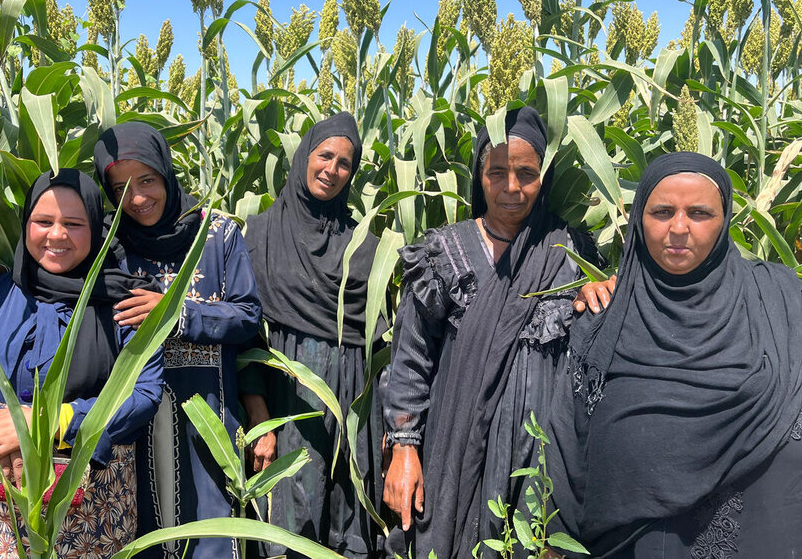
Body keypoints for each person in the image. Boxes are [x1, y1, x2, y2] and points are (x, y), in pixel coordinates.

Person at [549, 152, 802, 558]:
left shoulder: (781, 304)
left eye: (700, 213)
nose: (679, 228)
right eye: (662, 212)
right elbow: (564, 442)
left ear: (725, 223)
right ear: (638, 220)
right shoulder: (602, 319)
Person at [0, 169, 164, 558]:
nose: (56, 235)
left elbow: (143, 394)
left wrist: (47, 424)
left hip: (92, 520)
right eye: (43, 222)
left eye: (74, 224)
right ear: (26, 225)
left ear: (95, 228)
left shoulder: (126, 304)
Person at [382, 107, 603, 559]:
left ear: (545, 177)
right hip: (455, 442)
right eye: (497, 171)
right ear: (479, 175)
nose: (512, 188)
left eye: (527, 173)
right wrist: (404, 449)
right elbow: (410, 359)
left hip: (539, 456)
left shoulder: (569, 252)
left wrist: (604, 293)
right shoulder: (444, 252)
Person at [93, 122, 261, 559]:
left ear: (166, 173)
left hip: (208, 411)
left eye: (147, 180)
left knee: (212, 530)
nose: (138, 199)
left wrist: (177, 314)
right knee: (143, 532)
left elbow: (248, 316)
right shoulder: (106, 241)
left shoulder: (217, 233)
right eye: (121, 188)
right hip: (133, 418)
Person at [242, 111, 385, 558]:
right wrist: (261, 422)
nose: (333, 170)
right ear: (305, 155)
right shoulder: (261, 234)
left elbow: (381, 339)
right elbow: (245, 338)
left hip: (352, 405)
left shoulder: (365, 244)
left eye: (345, 163)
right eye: (325, 155)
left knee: (349, 520)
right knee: (292, 521)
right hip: (289, 401)